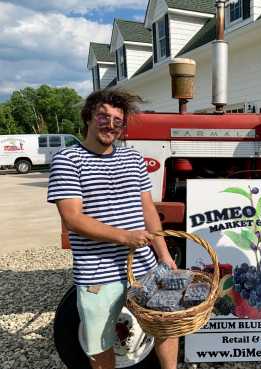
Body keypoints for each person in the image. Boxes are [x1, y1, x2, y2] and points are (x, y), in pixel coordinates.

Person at [47, 89, 178, 369]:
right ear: (88, 118)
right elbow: (73, 218)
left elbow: (148, 211)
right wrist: (125, 237)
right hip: (98, 271)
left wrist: (163, 255)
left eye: (118, 120)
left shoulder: (133, 159)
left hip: (144, 266)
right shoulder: (68, 161)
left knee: (167, 325)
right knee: (100, 342)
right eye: (103, 117)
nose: (111, 124)